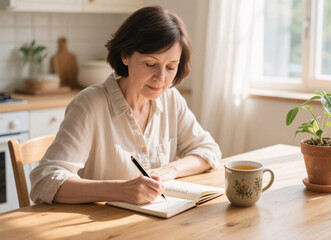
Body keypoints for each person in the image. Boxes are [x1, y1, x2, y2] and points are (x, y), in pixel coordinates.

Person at [30, 6, 221, 205]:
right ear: (125, 55)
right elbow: (44, 181)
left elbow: (208, 150)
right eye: (150, 64)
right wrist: (119, 190)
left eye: (171, 67)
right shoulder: (90, 105)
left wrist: (171, 169)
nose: (161, 78)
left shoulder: (171, 99)